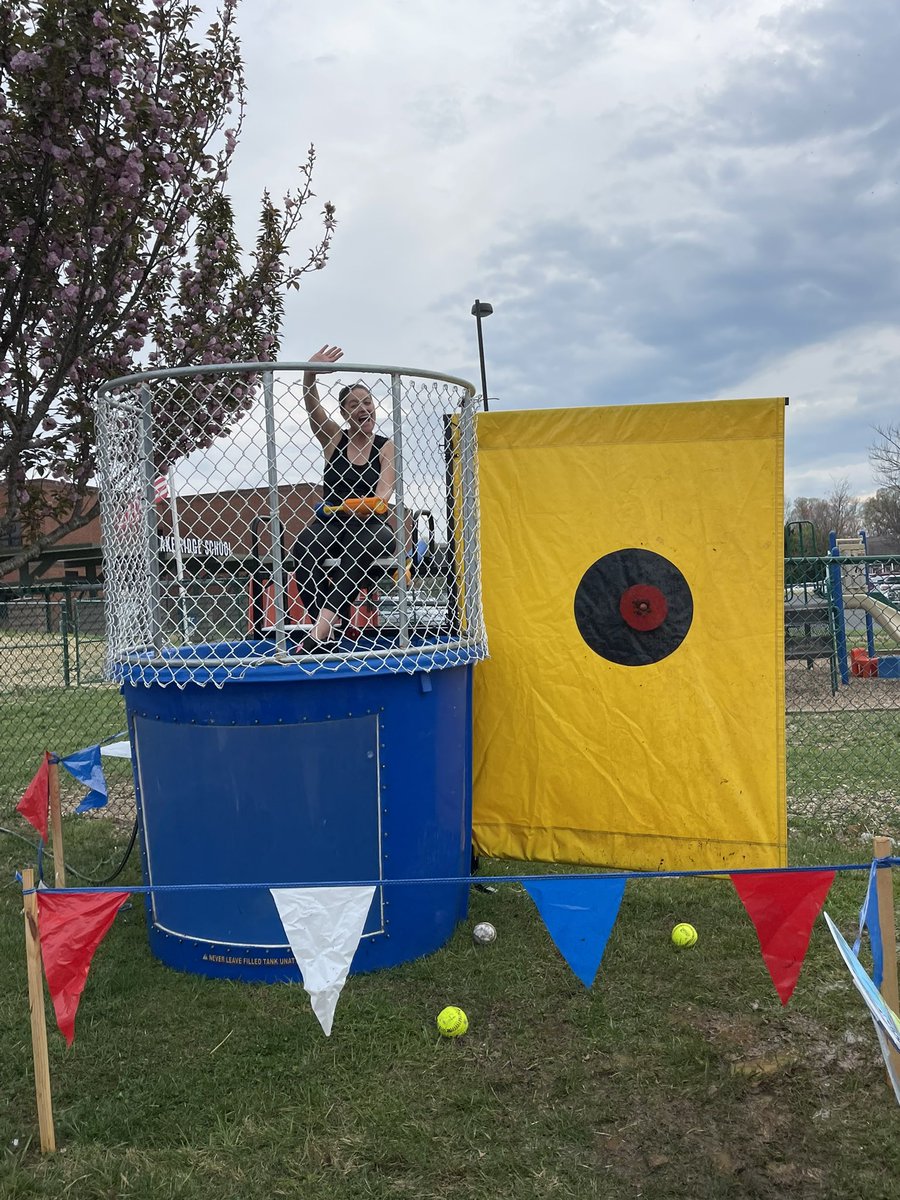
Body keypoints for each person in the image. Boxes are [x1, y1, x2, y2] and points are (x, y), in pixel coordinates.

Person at [293, 345, 397, 643]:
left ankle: (322, 627)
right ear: (344, 413)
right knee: (304, 547)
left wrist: (372, 504)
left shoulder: (385, 446)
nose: (362, 409)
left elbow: (384, 490)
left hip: (371, 524)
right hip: (333, 520)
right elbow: (313, 408)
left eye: (367, 402)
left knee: (359, 545)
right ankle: (325, 622)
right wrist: (308, 374)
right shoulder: (334, 438)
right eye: (353, 405)